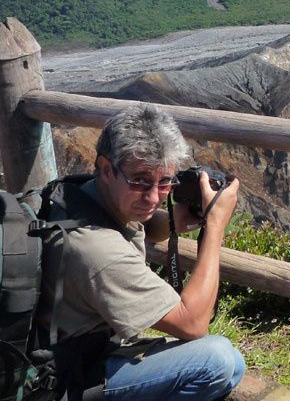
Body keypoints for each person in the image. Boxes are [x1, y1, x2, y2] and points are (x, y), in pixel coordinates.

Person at [40, 104, 245, 400]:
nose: (152, 198)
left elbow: (139, 225)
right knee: (219, 360)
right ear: (106, 168)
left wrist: (179, 217)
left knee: (230, 362)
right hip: (69, 378)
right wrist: (214, 227)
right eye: (140, 181)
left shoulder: (80, 194)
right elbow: (193, 323)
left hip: (63, 348)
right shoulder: (96, 250)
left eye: (165, 182)